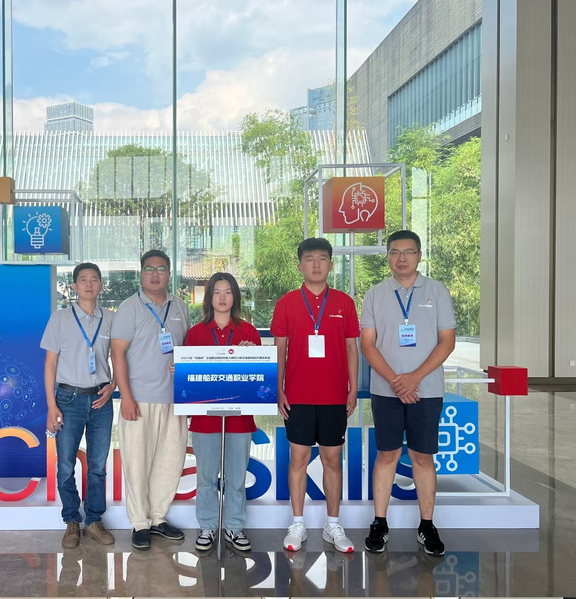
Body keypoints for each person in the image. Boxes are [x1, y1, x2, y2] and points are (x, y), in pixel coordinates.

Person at [360, 229, 456, 556]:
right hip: (385, 391)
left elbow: (447, 342)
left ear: (419, 256)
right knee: (387, 455)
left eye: (409, 252)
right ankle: (379, 523)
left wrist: (414, 378)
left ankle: (427, 525)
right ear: (387, 256)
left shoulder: (437, 291)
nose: (402, 258)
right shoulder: (375, 294)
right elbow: (368, 345)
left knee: (422, 457)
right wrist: (396, 380)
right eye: (395, 252)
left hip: (426, 390)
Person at [270, 238, 359, 553]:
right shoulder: (287, 303)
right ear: (300, 266)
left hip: (334, 396)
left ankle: (333, 524)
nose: (316, 264)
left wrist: (352, 388)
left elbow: (351, 348)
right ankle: (298, 524)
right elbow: (280, 349)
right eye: (310, 259)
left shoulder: (344, 303)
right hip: (298, 396)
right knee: (298, 459)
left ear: (331, 265)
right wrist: (278, 388)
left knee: (332, 460)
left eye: (322, 258)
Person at [111, 249, 190, 550]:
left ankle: (158, 518)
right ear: (141, 273)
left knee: (170, 461)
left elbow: (187, 351)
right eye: (149, 269)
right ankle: (140, 523)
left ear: (169, 273)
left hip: (173, 399)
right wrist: (126, 397)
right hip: (139, 399)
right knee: (137, 462)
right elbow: (117, 353)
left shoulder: (180, 306)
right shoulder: (129, 308)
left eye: (161, 269)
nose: (155, 274)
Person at [42, 262, 116, 548]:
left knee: (98, 465)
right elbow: (50, 364)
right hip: (68, 400)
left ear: (101, 286)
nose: (88, 284)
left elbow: (120, 357)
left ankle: (94, 521)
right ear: (74, 286)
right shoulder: (60, 318)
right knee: (65, 465)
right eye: (83, 279)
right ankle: (72, 521)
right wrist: (52, 406)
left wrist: (114, 385)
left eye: (94, 279)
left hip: (101, 400)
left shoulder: (111, 319)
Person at [186, 272, 261, 553]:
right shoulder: (196, 333)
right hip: (205, 419)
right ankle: (207, 525)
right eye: (217, 292)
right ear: (209, 298)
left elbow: (260, 378)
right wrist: (179, 370)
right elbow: (188, 377)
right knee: (206, 477)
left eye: (228, 292)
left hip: (240, 418)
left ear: (235, 297)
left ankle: (233, 526)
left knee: (236, 477)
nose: (222, 297)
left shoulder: (249, 332)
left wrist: (251, 355)